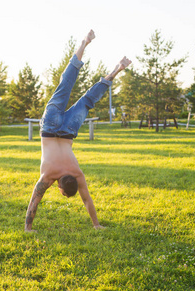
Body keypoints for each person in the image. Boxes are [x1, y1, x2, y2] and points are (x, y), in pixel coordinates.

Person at [24, 30, 132, 232]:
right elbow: (34, 201)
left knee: (85, 97)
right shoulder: (48, 176)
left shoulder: (78, 173)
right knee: (67, 86)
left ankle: (113, 66)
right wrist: (28, 228)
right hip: (50, 128)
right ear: (59, 187)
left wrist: (97, 224)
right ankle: (98, 54)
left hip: (68, 131)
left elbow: (87, 199)